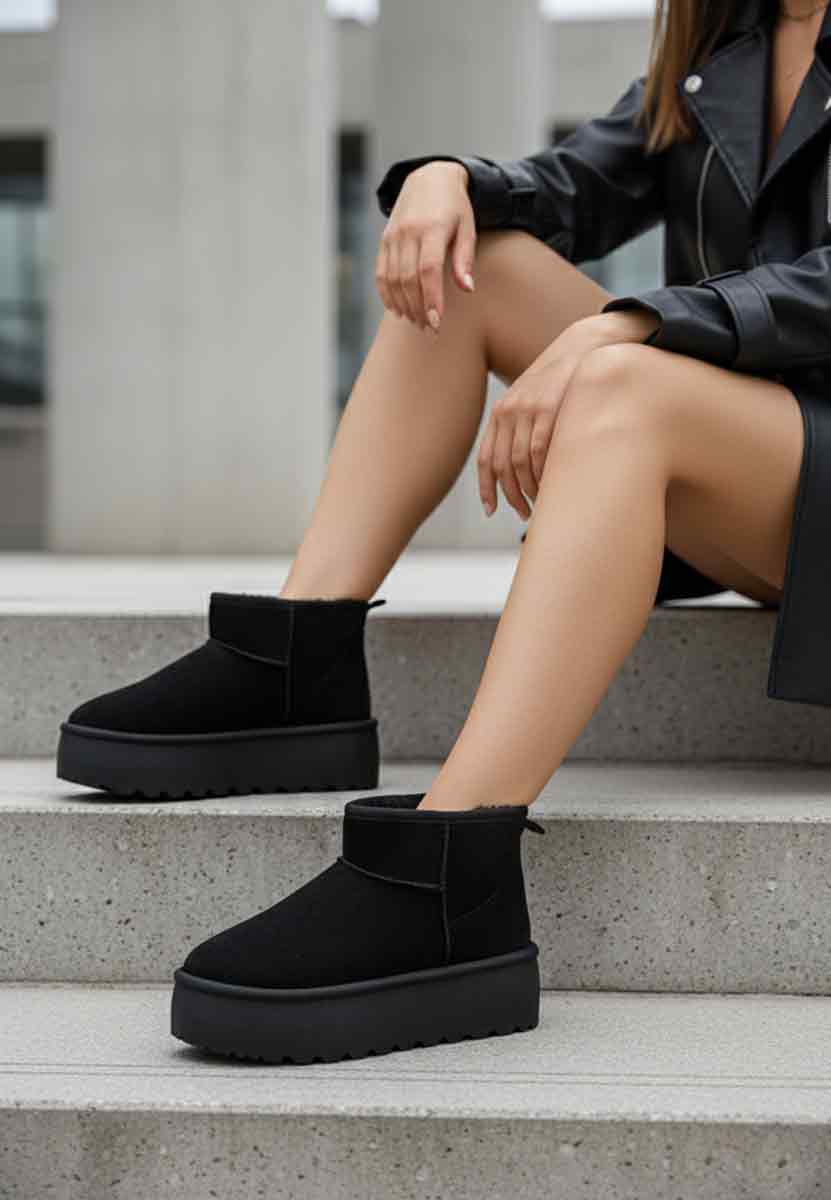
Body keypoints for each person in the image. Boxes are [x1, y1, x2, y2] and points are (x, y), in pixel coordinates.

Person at [72, 0, 831, 1062]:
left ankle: (447, 876)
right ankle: (297, 657)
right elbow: (574, 185)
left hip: (793, 462)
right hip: (768, 473)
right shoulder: (725, 37)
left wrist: (636, 326)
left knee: (627, 385)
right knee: (475, 263)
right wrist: (449, 181)